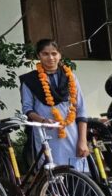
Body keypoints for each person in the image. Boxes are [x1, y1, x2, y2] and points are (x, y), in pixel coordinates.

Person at [20, 38, 88, 171]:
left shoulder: (70, 77)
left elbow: (81, 110)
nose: (50, 58)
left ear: (60, 55)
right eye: (45, 54)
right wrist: (43, 120)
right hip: (45, 134)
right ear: (38, 56)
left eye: (54, 53)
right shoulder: (30, 80)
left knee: (75, 174)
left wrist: (82, 140)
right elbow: (27, 109)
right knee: (51, 173)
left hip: (71, 134)